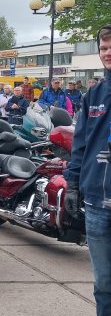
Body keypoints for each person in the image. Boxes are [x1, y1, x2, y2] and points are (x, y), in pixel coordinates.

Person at [64, 24, 111, 315]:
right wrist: (72, 184)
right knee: (104, 282)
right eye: (104, 48)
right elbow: (80, 145)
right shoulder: (93, 95)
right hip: (96, 202)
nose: (108, 53)